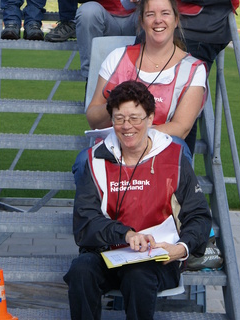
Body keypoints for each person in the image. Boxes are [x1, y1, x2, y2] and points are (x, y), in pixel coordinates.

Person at [64, 80, 212, 320]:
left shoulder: (173, 158)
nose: (126, 126)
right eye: (119, 118)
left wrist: (180, 249)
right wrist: (126, 234)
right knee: (81, 271)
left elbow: (199, 217)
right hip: (108, 252)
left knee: (138, 275)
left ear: (150, 118)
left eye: (135, 118)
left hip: (158, 258)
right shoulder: (94, 160)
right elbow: (85, 221)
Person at [86, 0, 207, 157]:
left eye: (165, 13)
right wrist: (118, 103)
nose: (158, 20)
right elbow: (93, 119)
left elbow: (181, 128)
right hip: (117, 145)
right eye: (150, 14)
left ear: (176, 20)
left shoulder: (193, 69)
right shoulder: (117, 57)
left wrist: (136, 137)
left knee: (179, 148)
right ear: (142, 22)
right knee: (82, 161)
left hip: (160, 148)